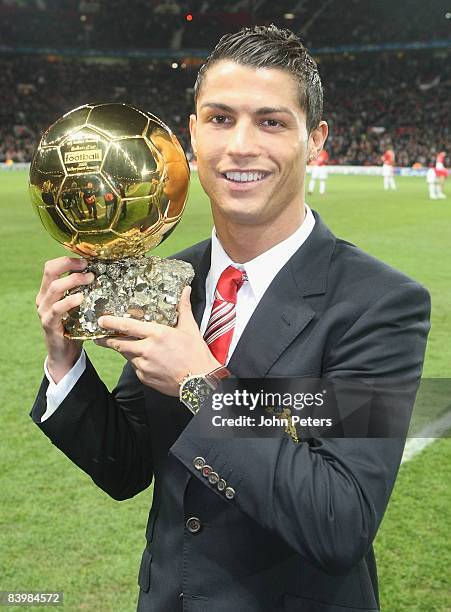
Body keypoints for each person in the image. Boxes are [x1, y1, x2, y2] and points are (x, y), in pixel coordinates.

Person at [31, 25, 430, 612]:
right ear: (190, 133)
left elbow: (338, 521)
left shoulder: (379, 304)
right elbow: (128, 469)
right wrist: (66, 362)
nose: (241, 145)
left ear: (314, 139)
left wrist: (205, 387)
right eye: (219, 118)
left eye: (271, 121)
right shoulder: (168, 280)